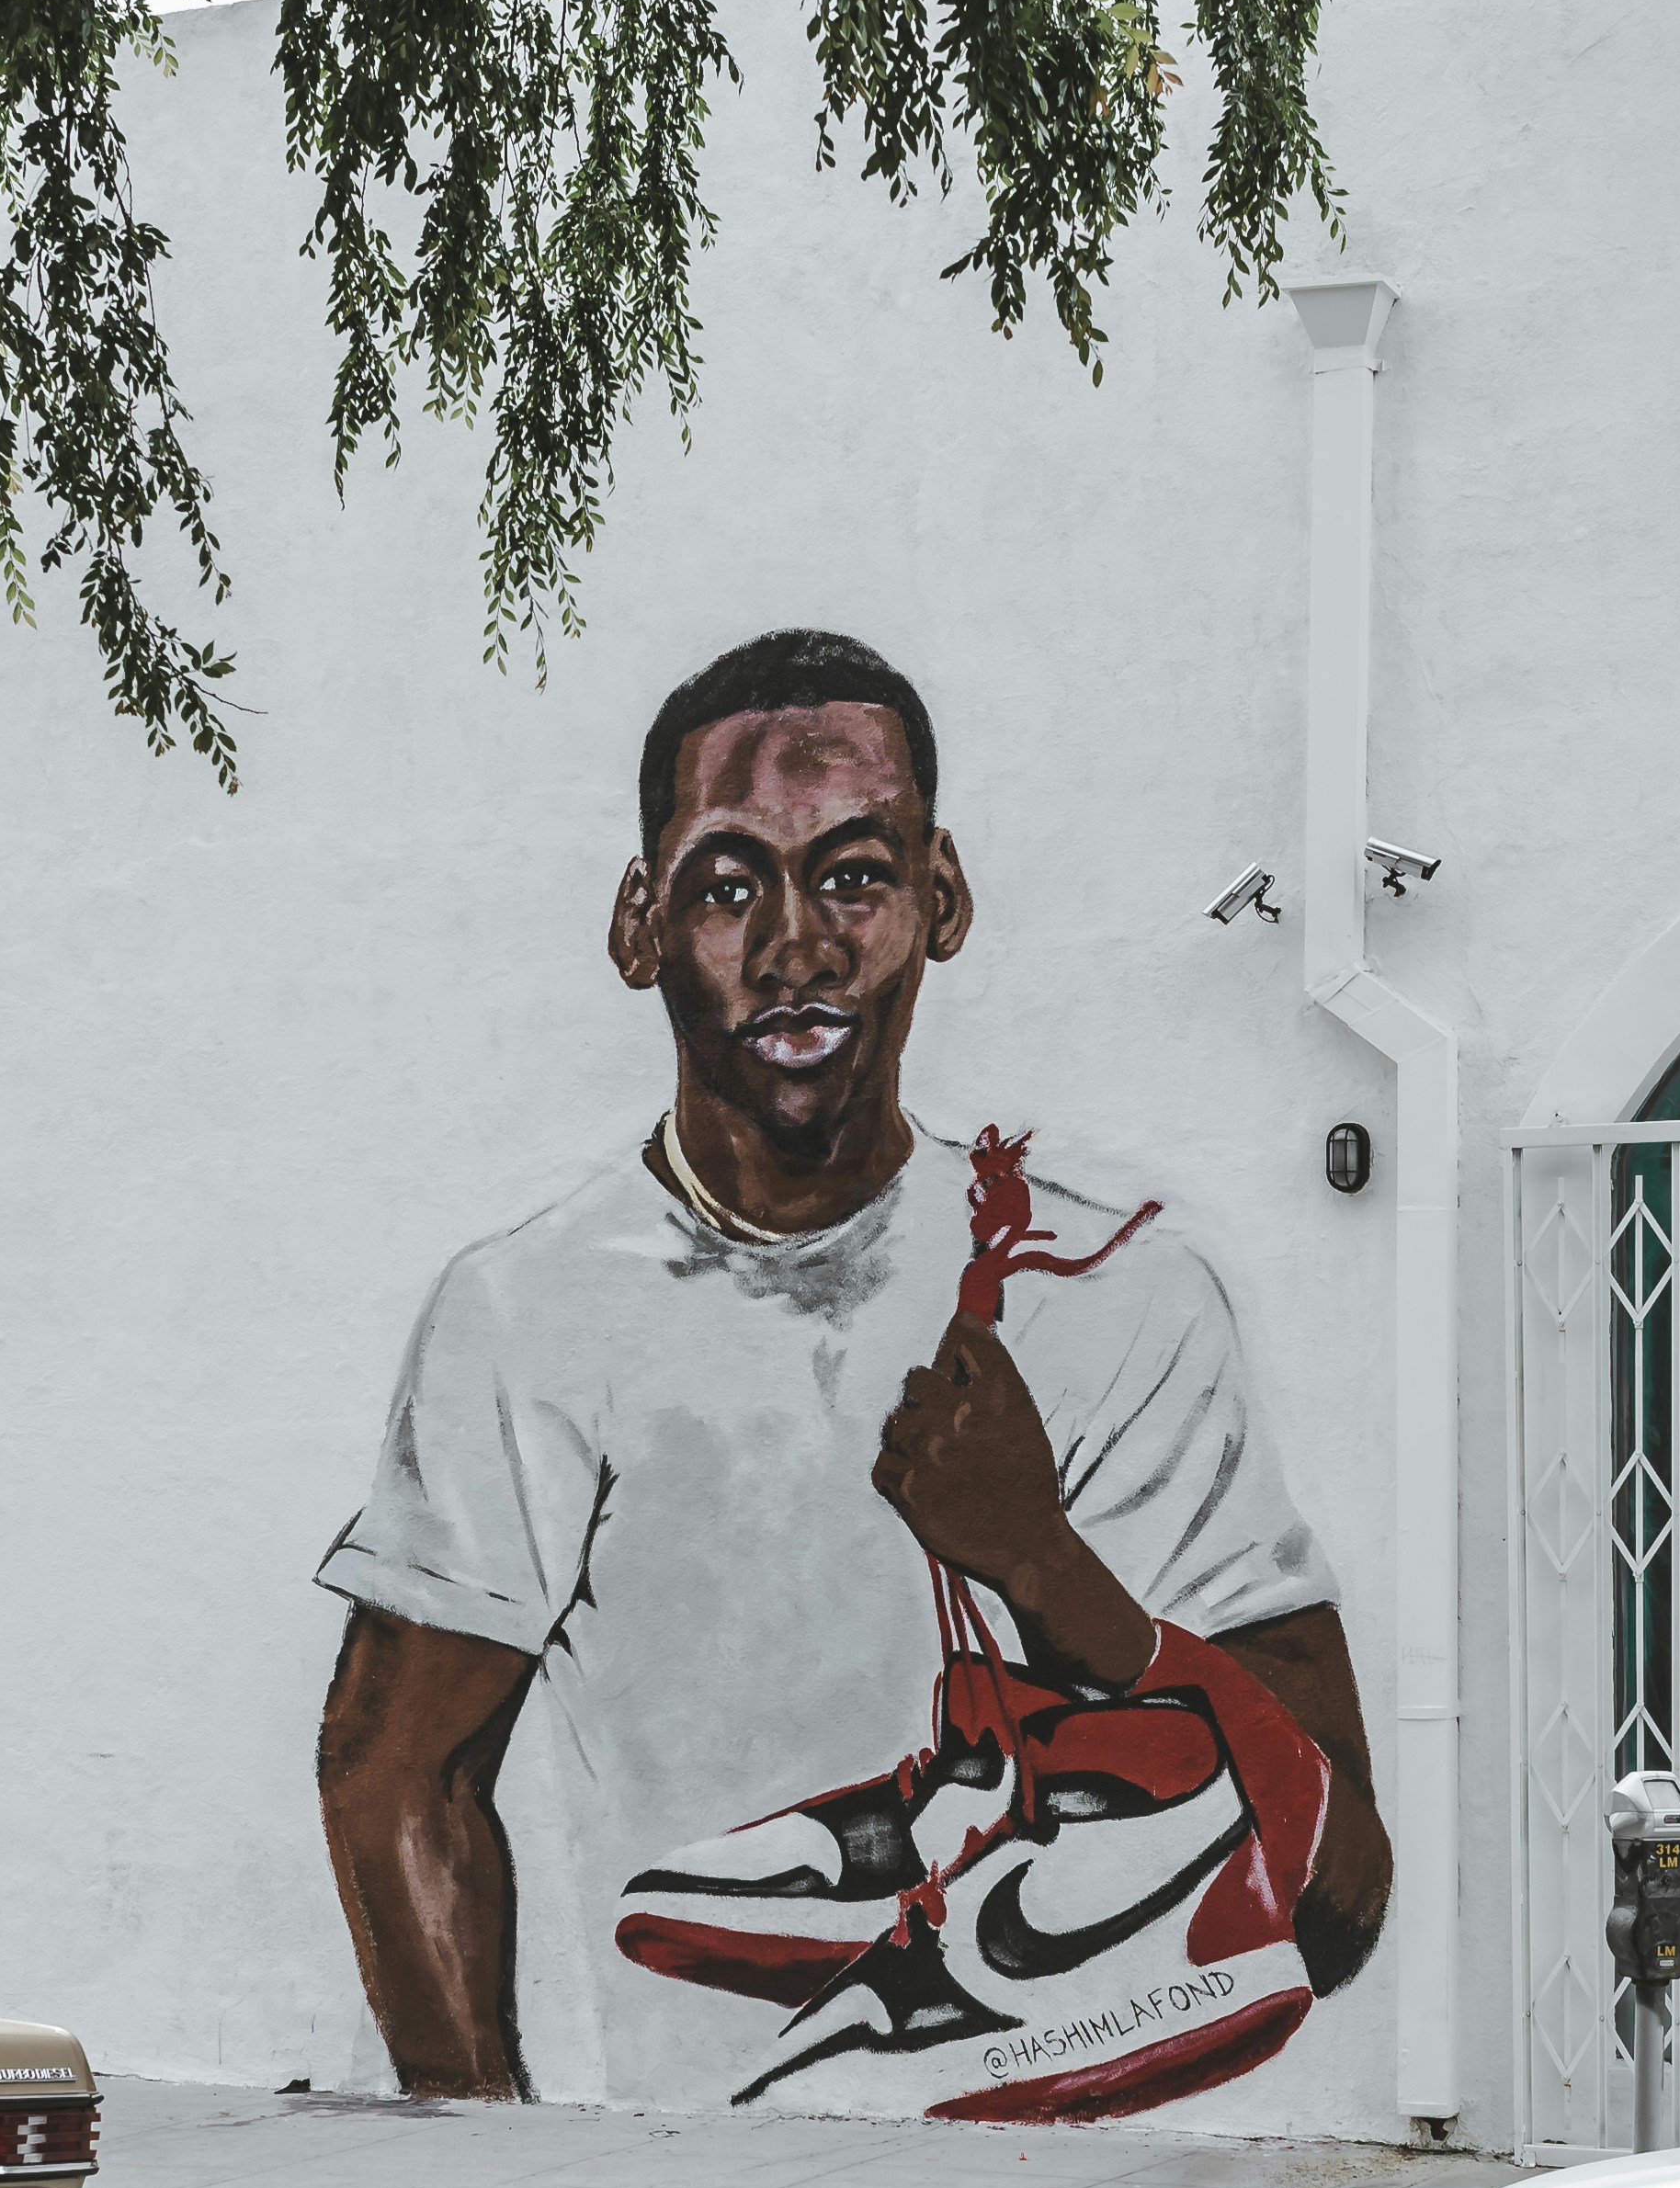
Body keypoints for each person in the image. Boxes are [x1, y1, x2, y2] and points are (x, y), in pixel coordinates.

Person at [316, 629, 1391, 2112]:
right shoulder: (529, 1311)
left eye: (854, 876)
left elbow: (1343, 1890)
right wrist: (500, 2163)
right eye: (727, 886)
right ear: (638, 924)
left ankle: (993, 1884)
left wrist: (1046, 1573)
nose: (795, 947)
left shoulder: (1115, 1294)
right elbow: (396, 1775)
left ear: (941, 898)